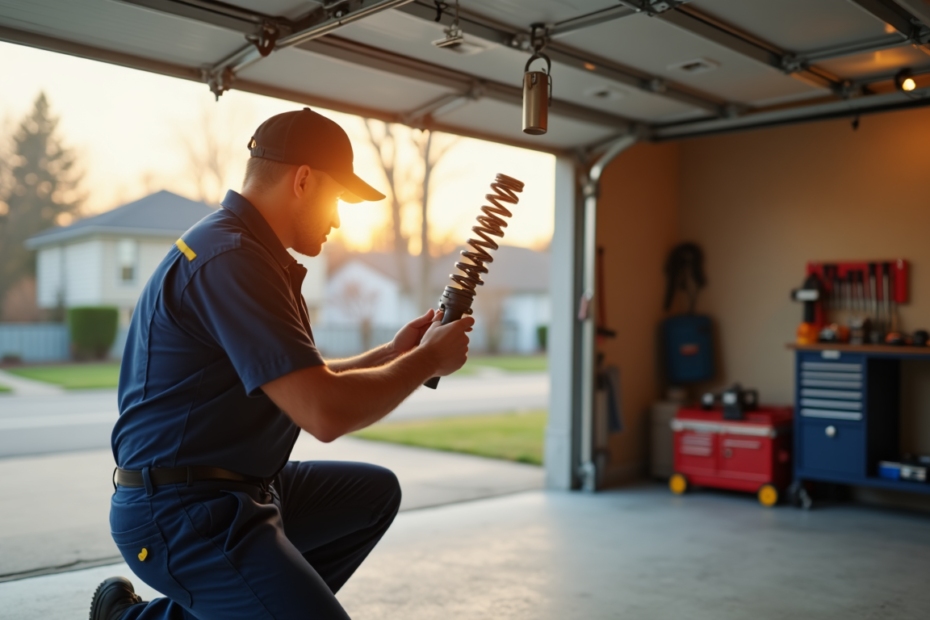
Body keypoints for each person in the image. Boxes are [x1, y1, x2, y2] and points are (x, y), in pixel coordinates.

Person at [90, 108, 474, 620]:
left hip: (243, 487)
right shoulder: (231, 259)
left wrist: (395, 354)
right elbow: (323, 413)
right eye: (337, 198)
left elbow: (301, 380)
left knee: (372, 495)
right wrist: (428, 358)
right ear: (304, 180)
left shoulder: (247, 252)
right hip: (182, 508)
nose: (338, 219)